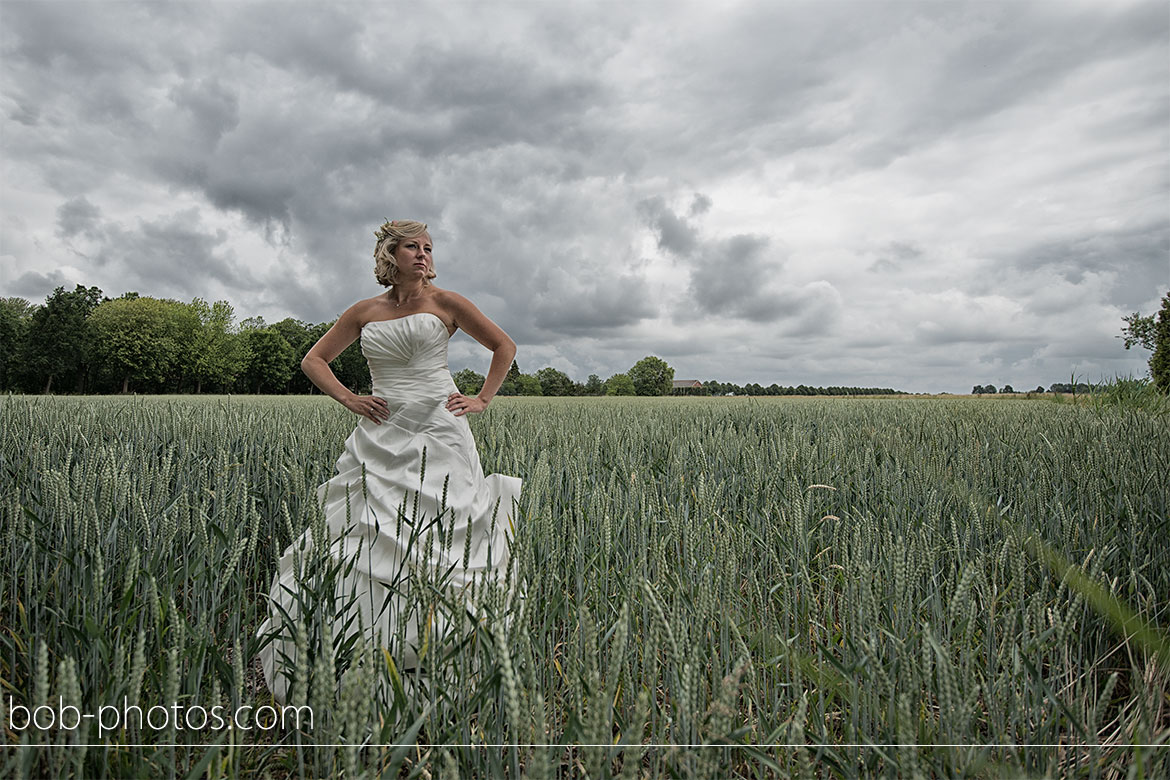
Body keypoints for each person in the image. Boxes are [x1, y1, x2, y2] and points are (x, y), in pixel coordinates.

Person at [257, 219, 522, 704]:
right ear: (389, 255)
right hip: (381, 433)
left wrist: (482, 399)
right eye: (411, 247)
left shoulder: (448, 303)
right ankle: (362, 647)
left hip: (441, 431)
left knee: (445, 529)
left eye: (428, 248)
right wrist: (349, 398)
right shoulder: (364, 311)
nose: (422, 255)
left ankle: (444, 648)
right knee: (366, 529)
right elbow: (313, 360)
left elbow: (504, 346)